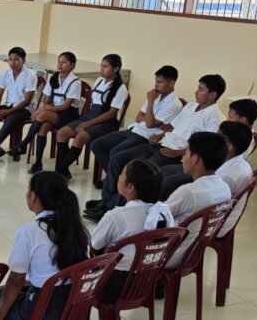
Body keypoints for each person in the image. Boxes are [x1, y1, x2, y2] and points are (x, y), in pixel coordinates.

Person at [0, 172, 90, 320]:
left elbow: (15, 281)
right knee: (26, 289)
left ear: (33, 196)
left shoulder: (29, 231)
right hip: (73, 315)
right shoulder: (78, 227)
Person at [86, 74, 225, 221]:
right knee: (117, 158)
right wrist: (160, 135)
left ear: (212, 95)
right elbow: (173, 126)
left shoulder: (215, 118)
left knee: (139, 173)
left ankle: (111, 209)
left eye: (201, 89)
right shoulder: (190, 106)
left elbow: (203, 146)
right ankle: (106, 202)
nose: (196, 92)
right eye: (198, 88)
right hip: (160, 144)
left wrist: (178, 152)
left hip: (174, 154)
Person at [89, 159, 175, 307]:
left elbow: (93, 248)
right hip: (148, 280)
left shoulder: (116, 216)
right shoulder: (164, 212)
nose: (118, 177)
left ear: (130, 187)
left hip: (115, 285)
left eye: (122, 174)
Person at [88, 66, 183, 195]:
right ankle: (116, 179)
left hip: (145, 136)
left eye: (160, 82)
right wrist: (152, 120)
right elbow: (139, 117)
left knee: (115, 152)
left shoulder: (173, 103)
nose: (156, 85)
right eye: (155, 81)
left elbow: (149, 124)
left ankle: (114, 184)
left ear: (171, 83)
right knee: (96, 144)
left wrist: (150, 102)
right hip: (133, 129)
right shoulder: (155, 95)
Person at [164, 131, 232, 269]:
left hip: (172, 254)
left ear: (195, 159)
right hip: (195, 251)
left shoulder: (188, 192)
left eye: (186, 153)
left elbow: (159, 217)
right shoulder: (224, 188)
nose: (183, 157)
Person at [55, 54, 128, 179]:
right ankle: (63, 171)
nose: (102, 69)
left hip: (106, 123)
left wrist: (89, 123)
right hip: (90, 117)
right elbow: (91, 104)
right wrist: (86, 120)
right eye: (101, 66)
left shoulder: (121, 88)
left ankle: (60, 171)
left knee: (80, 137)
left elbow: (111, 113)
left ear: (115, 69)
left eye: (105, 67)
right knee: (61, 133)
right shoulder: (99, 81)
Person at [8, 51, 82, 173]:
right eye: (59, 61)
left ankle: (23, 144)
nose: (60, 64)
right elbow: (46, 99)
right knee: (42, 128)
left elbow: (65, 106)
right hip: (53, 113)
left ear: (72, 65)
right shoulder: (54, 78)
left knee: (43, 114)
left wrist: (42, 109)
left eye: (64, 62)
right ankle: (37, 163)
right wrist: (43, 106)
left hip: (69, 115)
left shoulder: (75, 82)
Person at [0, 46, 38, 162]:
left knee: (10, 119)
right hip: (9, 105)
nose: (12, 62)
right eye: (10, 59)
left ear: (23, 60)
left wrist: (8, 112)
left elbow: (27, 101)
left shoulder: (30, 77)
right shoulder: (6, 74)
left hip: (25, 109)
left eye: (16, 59)